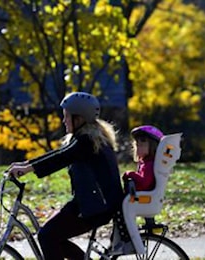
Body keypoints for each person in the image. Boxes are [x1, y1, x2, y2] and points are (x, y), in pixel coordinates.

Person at [7, 92, 129, 260]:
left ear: (79, 118)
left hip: (96, 207)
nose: (64, 120)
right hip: (90, 202)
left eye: (67, 116)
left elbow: (61, 158)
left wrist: (28, 169)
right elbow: (60, 153)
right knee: (51, 236)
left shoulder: (87, 141)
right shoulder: (87, 137)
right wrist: (26, 164)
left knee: (47, 236)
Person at [122, 125, 164, 193]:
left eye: (142, 145)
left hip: (143, 199)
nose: (138, 148)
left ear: (153, 146)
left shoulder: (150, 164)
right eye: (137, 145)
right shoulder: (144, 162)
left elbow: (144, 183)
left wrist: (130, 174)